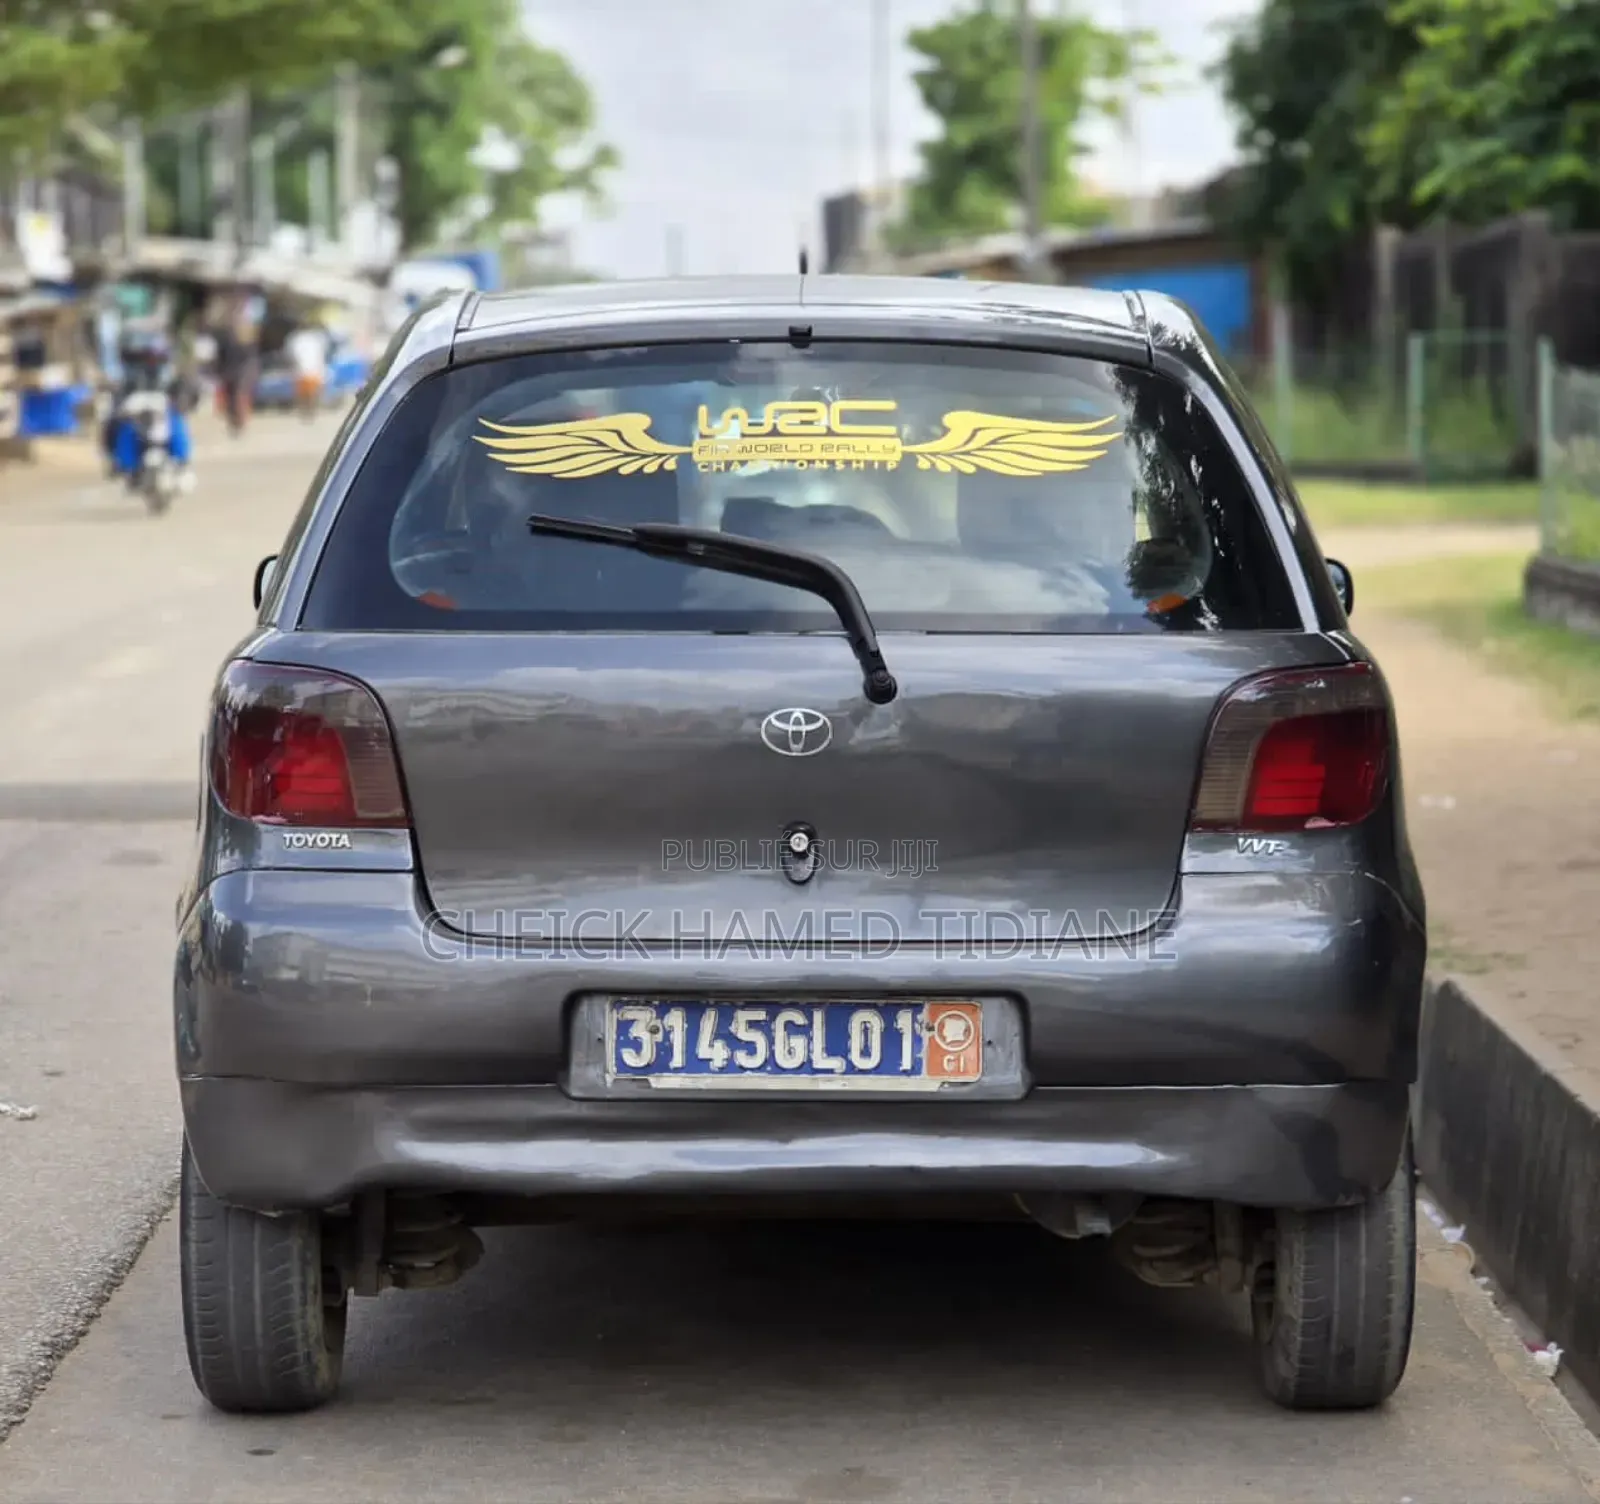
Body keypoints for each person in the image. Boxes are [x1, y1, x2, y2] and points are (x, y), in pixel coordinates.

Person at [286, 322, 329, 419]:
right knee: (311, 393)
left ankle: (306, 411)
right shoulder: (316, 338)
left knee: (305, 394)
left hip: (303, 370)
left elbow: (291, 355)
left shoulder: (296, 339)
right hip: (312, 370)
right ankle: (309, 411)